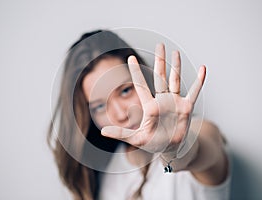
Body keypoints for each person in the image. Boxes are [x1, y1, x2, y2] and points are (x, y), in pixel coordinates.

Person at [47, 30, 230, 200]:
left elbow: (201, 150)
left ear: (144, 78)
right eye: (99, 106)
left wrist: (175, 148)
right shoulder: (106, 174)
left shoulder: (199, 130)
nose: (119, 114)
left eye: (125, 90)